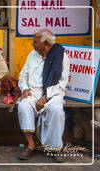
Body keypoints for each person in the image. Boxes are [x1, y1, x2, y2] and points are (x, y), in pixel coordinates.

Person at [17, 29, 70, 162]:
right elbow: (23, 75)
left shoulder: (61, 56)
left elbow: (62, 83)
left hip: (53, 94)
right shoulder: (32, 54)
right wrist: (25, 89)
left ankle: (55, 148)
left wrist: (46, 96)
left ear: (46, 43)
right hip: (33, 92)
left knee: (56, 111)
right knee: (23, 106)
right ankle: (31, 145)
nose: (32, 44)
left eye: (35, 42)